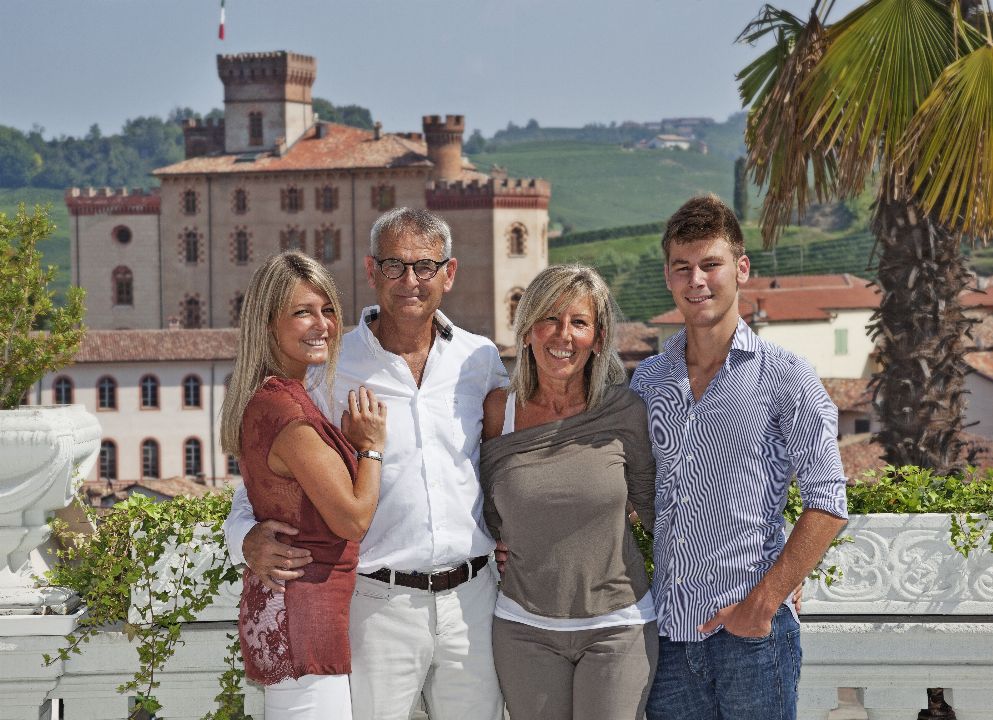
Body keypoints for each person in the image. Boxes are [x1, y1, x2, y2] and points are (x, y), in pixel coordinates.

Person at [224, 208, 507, 720]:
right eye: (394, 265)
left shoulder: (480, 360)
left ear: (449, 273)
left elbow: (506, 460)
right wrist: (243, 537)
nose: (410, 280)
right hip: (378, 603)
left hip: (474, 601)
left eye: (425, 266)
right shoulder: (329, 368)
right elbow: (268, 476)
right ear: (371, 270)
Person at [629, 195, 849, 720]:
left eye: (711, 264)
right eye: (682, 267)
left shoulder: (785, 375)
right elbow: (628, 493)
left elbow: (828, 501)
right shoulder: (648, 381)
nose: (696, 280)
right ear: (667, 276)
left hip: (753, 639)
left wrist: (766, 601)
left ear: (741, 269)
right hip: (668, 640)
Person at [480, 264, 658, 720]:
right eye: (550, 319)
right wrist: (495, 545)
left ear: (598, 339)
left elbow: (659, 513)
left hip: (618, 625)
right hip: (523, 629)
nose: (563, 335)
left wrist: (759, 568)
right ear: (527, 331)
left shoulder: (626, 411)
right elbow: (479, 505)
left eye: (579, 322)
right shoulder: (499, 412)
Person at [219, 251, 387, 720]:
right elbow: (352, 519)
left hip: (293, 613)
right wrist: (371, 448)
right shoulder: (288, 412)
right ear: (268, 323)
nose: (323, 325)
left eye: (328, 310)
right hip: (304, 618)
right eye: (302, 312)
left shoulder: (274, 398)